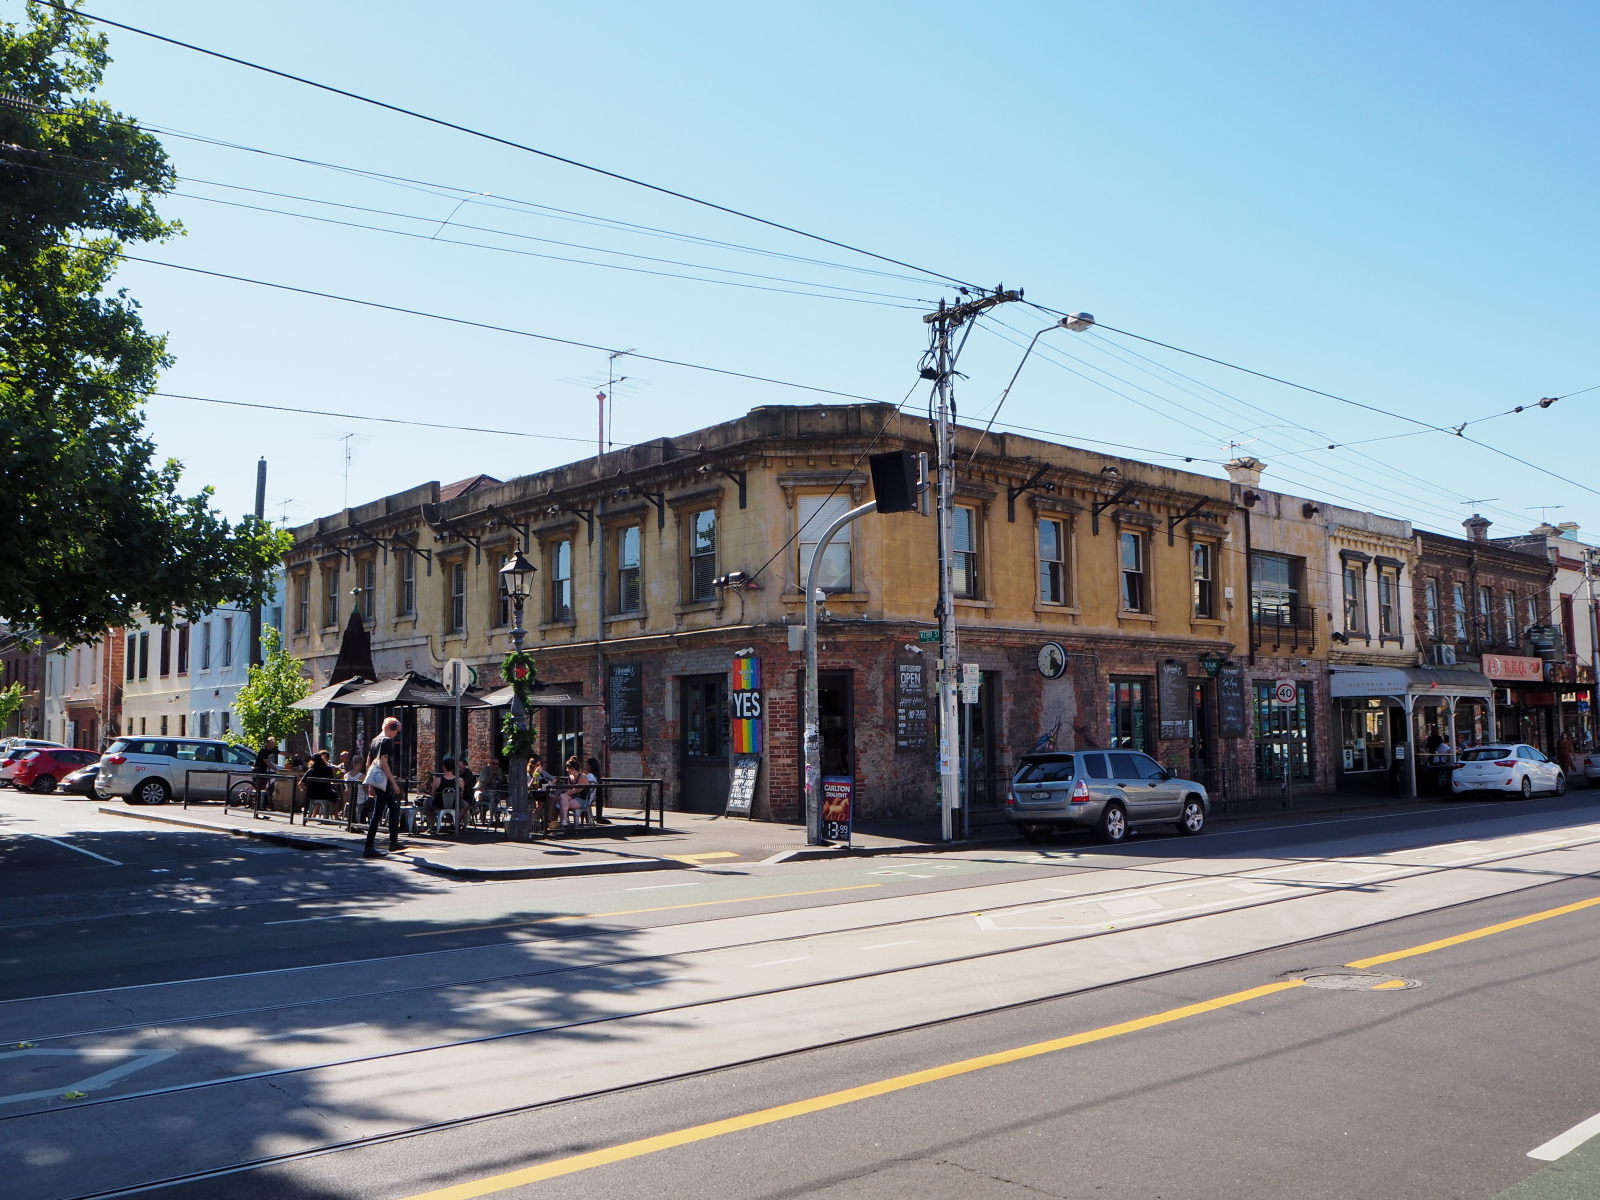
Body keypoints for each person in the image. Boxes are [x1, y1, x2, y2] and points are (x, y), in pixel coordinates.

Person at [362, 716, 405, 859]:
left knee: (392, 808)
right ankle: (369, 846)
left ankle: (393, 841)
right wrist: (393, 783)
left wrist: (370, 784)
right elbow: (383, 762)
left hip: (377, 781)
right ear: (391, 728)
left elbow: (368, 763)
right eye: (396, 731)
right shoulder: (386, 741)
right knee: (378, 813)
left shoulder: (375, 740)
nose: (396, 734)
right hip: (383, 782)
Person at [425, 756, 461, 834]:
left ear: (444, 767)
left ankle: (431, 826)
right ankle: (455, 824)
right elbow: (462, 793)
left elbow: (433, 794)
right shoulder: (460, 780)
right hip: (455, 805)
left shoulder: (437, 780)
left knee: (427, 803)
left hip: (439, 805)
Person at [303, 749, 339, 820]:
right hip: (326, 794)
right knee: (335, 795)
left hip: (313, 795)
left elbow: (300, 783)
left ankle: (312, 816)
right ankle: (336, 816)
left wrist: (305, 789)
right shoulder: (328, 769)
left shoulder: (311, 770)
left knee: (317, 800)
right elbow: (332, 780)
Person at [527, 754, 558, 829]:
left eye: (540, 765)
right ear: (532, 766)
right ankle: (540, 822)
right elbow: (529, 786)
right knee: (543, 802)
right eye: (537, 765)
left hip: (542, 794)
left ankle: (547, 821)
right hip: (532, 795)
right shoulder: (528, 775)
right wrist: (535, 775)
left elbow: (554, 779)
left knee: (552, 799)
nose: (539, 767)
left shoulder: (542, 773)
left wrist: (549, 784)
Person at [584, 756, 608, 824]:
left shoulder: (589, 776)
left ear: (590, 766)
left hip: (587, 797)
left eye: (586, 765)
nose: (585, 766)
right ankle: (597, 818)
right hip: (592, 797)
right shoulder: (597, 776)